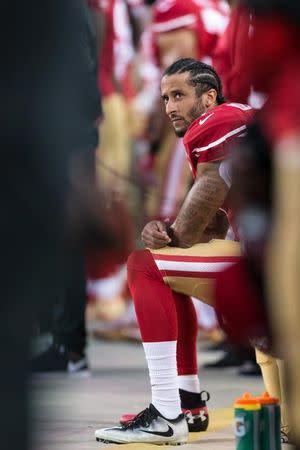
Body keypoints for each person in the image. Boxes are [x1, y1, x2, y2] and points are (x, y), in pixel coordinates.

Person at [94, 58, 254, 445]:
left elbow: (208, 193)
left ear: (209, 96)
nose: (169, 107)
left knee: (145, 266)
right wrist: (173, 232)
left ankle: (167, 412)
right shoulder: (239, 118)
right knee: (168, 270)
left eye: (179, 95)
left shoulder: (216, 122)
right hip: (270, 247)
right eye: (166, 97)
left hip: (274, 260)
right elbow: (219, 216)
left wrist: (174, 233)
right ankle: (186, 402)